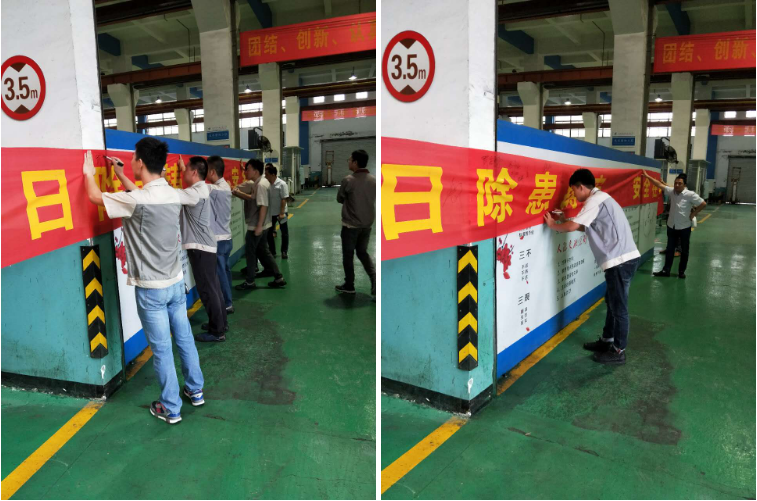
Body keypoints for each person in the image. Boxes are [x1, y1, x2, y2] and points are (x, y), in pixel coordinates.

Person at [83, 139, 204, 424]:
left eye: (133, 159)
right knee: (184, 338)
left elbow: (95, 196)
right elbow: (141, 197)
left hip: (152, 290)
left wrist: (88, 172)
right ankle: (195, 390)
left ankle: (171, 408)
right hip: (176, 284)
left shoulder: (137, 200)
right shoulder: (173, 194)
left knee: (161, 350)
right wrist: (121, 174)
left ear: (139, 162)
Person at [544, 168, 640, 365]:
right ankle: (607, 340)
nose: (574, 195)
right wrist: (564, 220)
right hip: (621, 260)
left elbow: (573, 227)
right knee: (612, 302)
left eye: (573, 191)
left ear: (581, 187)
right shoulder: (601, 199)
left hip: (620, 261)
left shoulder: (595, 200)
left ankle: (619, 351)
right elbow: (584, 225)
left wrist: (553, 225)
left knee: (619, 307)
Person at [177, 155, 228, 342]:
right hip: (207, 247)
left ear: (194, 172)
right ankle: (220, 323)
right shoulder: (202, 188)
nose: (184, 172)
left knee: (207, 290)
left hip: (200, 248)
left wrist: (161, 177)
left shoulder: (194, 193)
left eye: (186, 169)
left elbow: (170, 195)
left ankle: (217, 331)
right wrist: (183, 170)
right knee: (214, 288)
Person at [232, 159, 287, 290]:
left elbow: (263, 206)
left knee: (250, 252)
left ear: (255, 171)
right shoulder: (261, 182)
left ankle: (250, 281)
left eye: (248, 169)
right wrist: (238, 193)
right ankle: (278, 277)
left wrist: (258, 226)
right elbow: (253, 198)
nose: (245, 172)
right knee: (264, 251)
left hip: (257, 225)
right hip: (264, 224)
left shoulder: (261, 185)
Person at [644, 171, 706, 279]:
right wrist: (647, 176)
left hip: (684, 227)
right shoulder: (672, 192)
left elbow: (703, 203)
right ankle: (666, 270)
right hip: (671, 226)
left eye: (679, 183)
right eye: (676, 183)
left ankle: (681, 272)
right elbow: (658, 184)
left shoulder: (690, 195)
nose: (677, 185)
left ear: (684, 185)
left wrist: (693, 214)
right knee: (670, 249)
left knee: (684, 250)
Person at [335, 150, 376, 296]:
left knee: (348, 255)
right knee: (362, 252)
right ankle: (375, 280)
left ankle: (349, 285)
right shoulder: (373, 180)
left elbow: (340, 198)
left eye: (350, 160)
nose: (348, 162)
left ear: (355, 162)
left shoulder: (348, 180)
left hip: (351, 225)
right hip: (367, 225)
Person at [206, 155, 234, 315]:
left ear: (212, 172)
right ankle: (229, 300)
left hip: (219, 240)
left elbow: (198, 188)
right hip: (227, 238)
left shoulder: (214, 189)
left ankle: (227, 303)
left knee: (220, 273)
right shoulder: (225, 186)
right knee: (226, 271)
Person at [265, 163, 290, 259]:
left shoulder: (282, 184)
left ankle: (284, 251)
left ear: (273, 174)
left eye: (267, 174)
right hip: (271, 213)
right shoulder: (267, 184)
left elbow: (284, 199)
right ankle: (272, 251)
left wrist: (282, 213)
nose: (265, 176)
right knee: (269, 233)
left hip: (281, 212)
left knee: (284, 232)